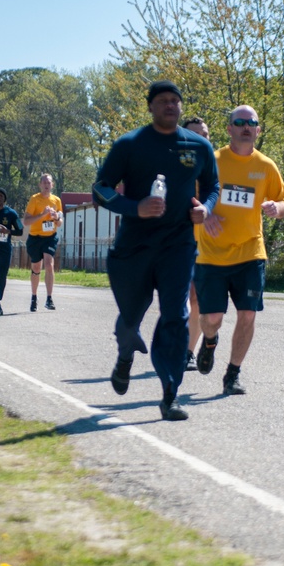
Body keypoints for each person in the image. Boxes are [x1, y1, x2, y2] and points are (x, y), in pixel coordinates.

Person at [92, 80, 219, 421]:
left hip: (178, 245)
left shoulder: (198, 146)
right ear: (150, 107)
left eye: (175, 101)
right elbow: (101, 189)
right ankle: (125, 354)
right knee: (131, 316)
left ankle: (169, 394)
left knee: (176, 316)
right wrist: (136, 208)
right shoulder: (130, 144)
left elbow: (212, 186)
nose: (170, 106)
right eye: (162, 101)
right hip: (134, 246)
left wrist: (205, 209)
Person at [192, 106, 284, 395]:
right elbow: (189, 192)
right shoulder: (213, 160)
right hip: (212, 254)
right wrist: (206, 213)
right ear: (229, 129)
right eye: (240, 122)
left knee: (248, 314)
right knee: (212, 319)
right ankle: (209, 342)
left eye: (252, 123)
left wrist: (277, 208)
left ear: (259, 130)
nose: (246, 127)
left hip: (250, 253)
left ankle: (232, 374)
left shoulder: (266, 166)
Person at [181, 116, 211, 372]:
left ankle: (193, 349)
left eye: (205, 134)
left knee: (200, 302)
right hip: (180, 244)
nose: (201, 139)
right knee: (185, 300)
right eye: (194, 135)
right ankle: (185, 349)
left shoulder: (218, 166)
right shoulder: (175, 167)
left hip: (212, 247)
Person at [22, 174, 63, 312]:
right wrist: (42, 215)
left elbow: (60, 222)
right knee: (36, 267)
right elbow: (26, 221)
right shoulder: (35, 199)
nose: (46, 185)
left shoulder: (56, 200)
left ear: (52, 185)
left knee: (49, 264)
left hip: (50, 237)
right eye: (44, 182)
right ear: (40, 185)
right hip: (35, 237)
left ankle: (49, 298)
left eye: (49, 182)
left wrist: (56, 217)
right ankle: (34, 297)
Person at [0, 188, 24, 316]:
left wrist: (8, 231)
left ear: (4, 199)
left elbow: (21, 230)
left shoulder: (11, 213)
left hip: (5, 249)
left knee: (2, 275)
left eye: (1, 196)